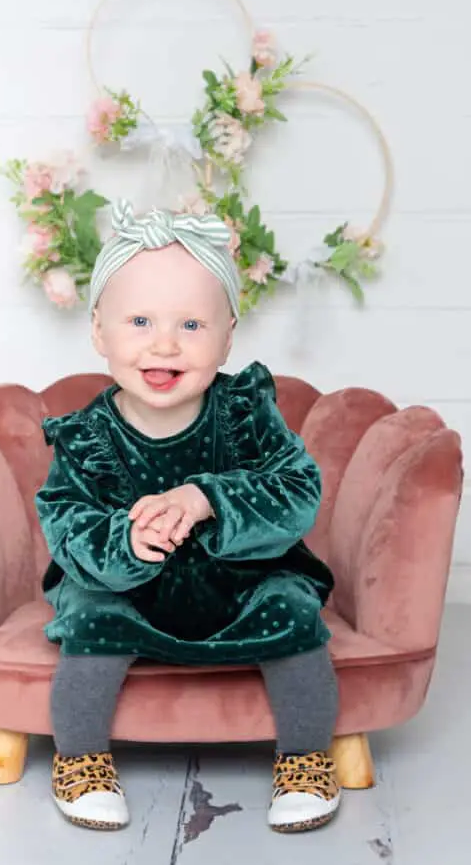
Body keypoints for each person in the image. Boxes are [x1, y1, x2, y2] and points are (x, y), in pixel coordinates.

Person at [35, 199, 339, 834]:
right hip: (129, 590)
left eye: (192, 325)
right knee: (90, 615)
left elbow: (297, 490)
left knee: (293, 607)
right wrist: (126, 540)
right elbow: (65, 520)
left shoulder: (244, 412)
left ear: (228, 335)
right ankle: (81, 755)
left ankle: (305, 755)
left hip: (240, 582)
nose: (165, 343)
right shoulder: (88, 436)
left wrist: (206, 498)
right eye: (140, 320)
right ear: (99, 331)